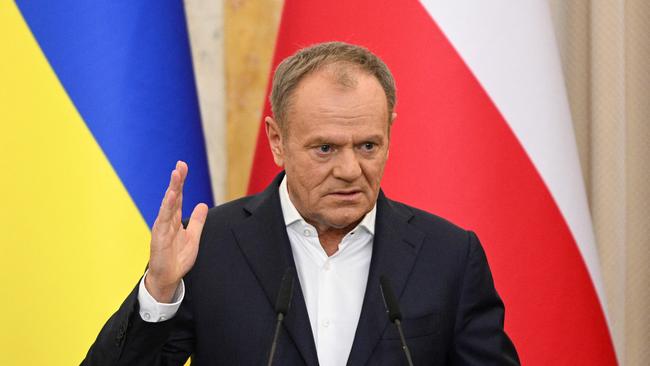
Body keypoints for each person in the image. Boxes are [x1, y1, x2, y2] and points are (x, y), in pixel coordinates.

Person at [82, 41, 519, 365]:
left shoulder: (448, 256)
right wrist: (159, 294)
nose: (350, 169)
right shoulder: (212, 248)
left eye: (368, 145)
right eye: (325, 149)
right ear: (278, 141)